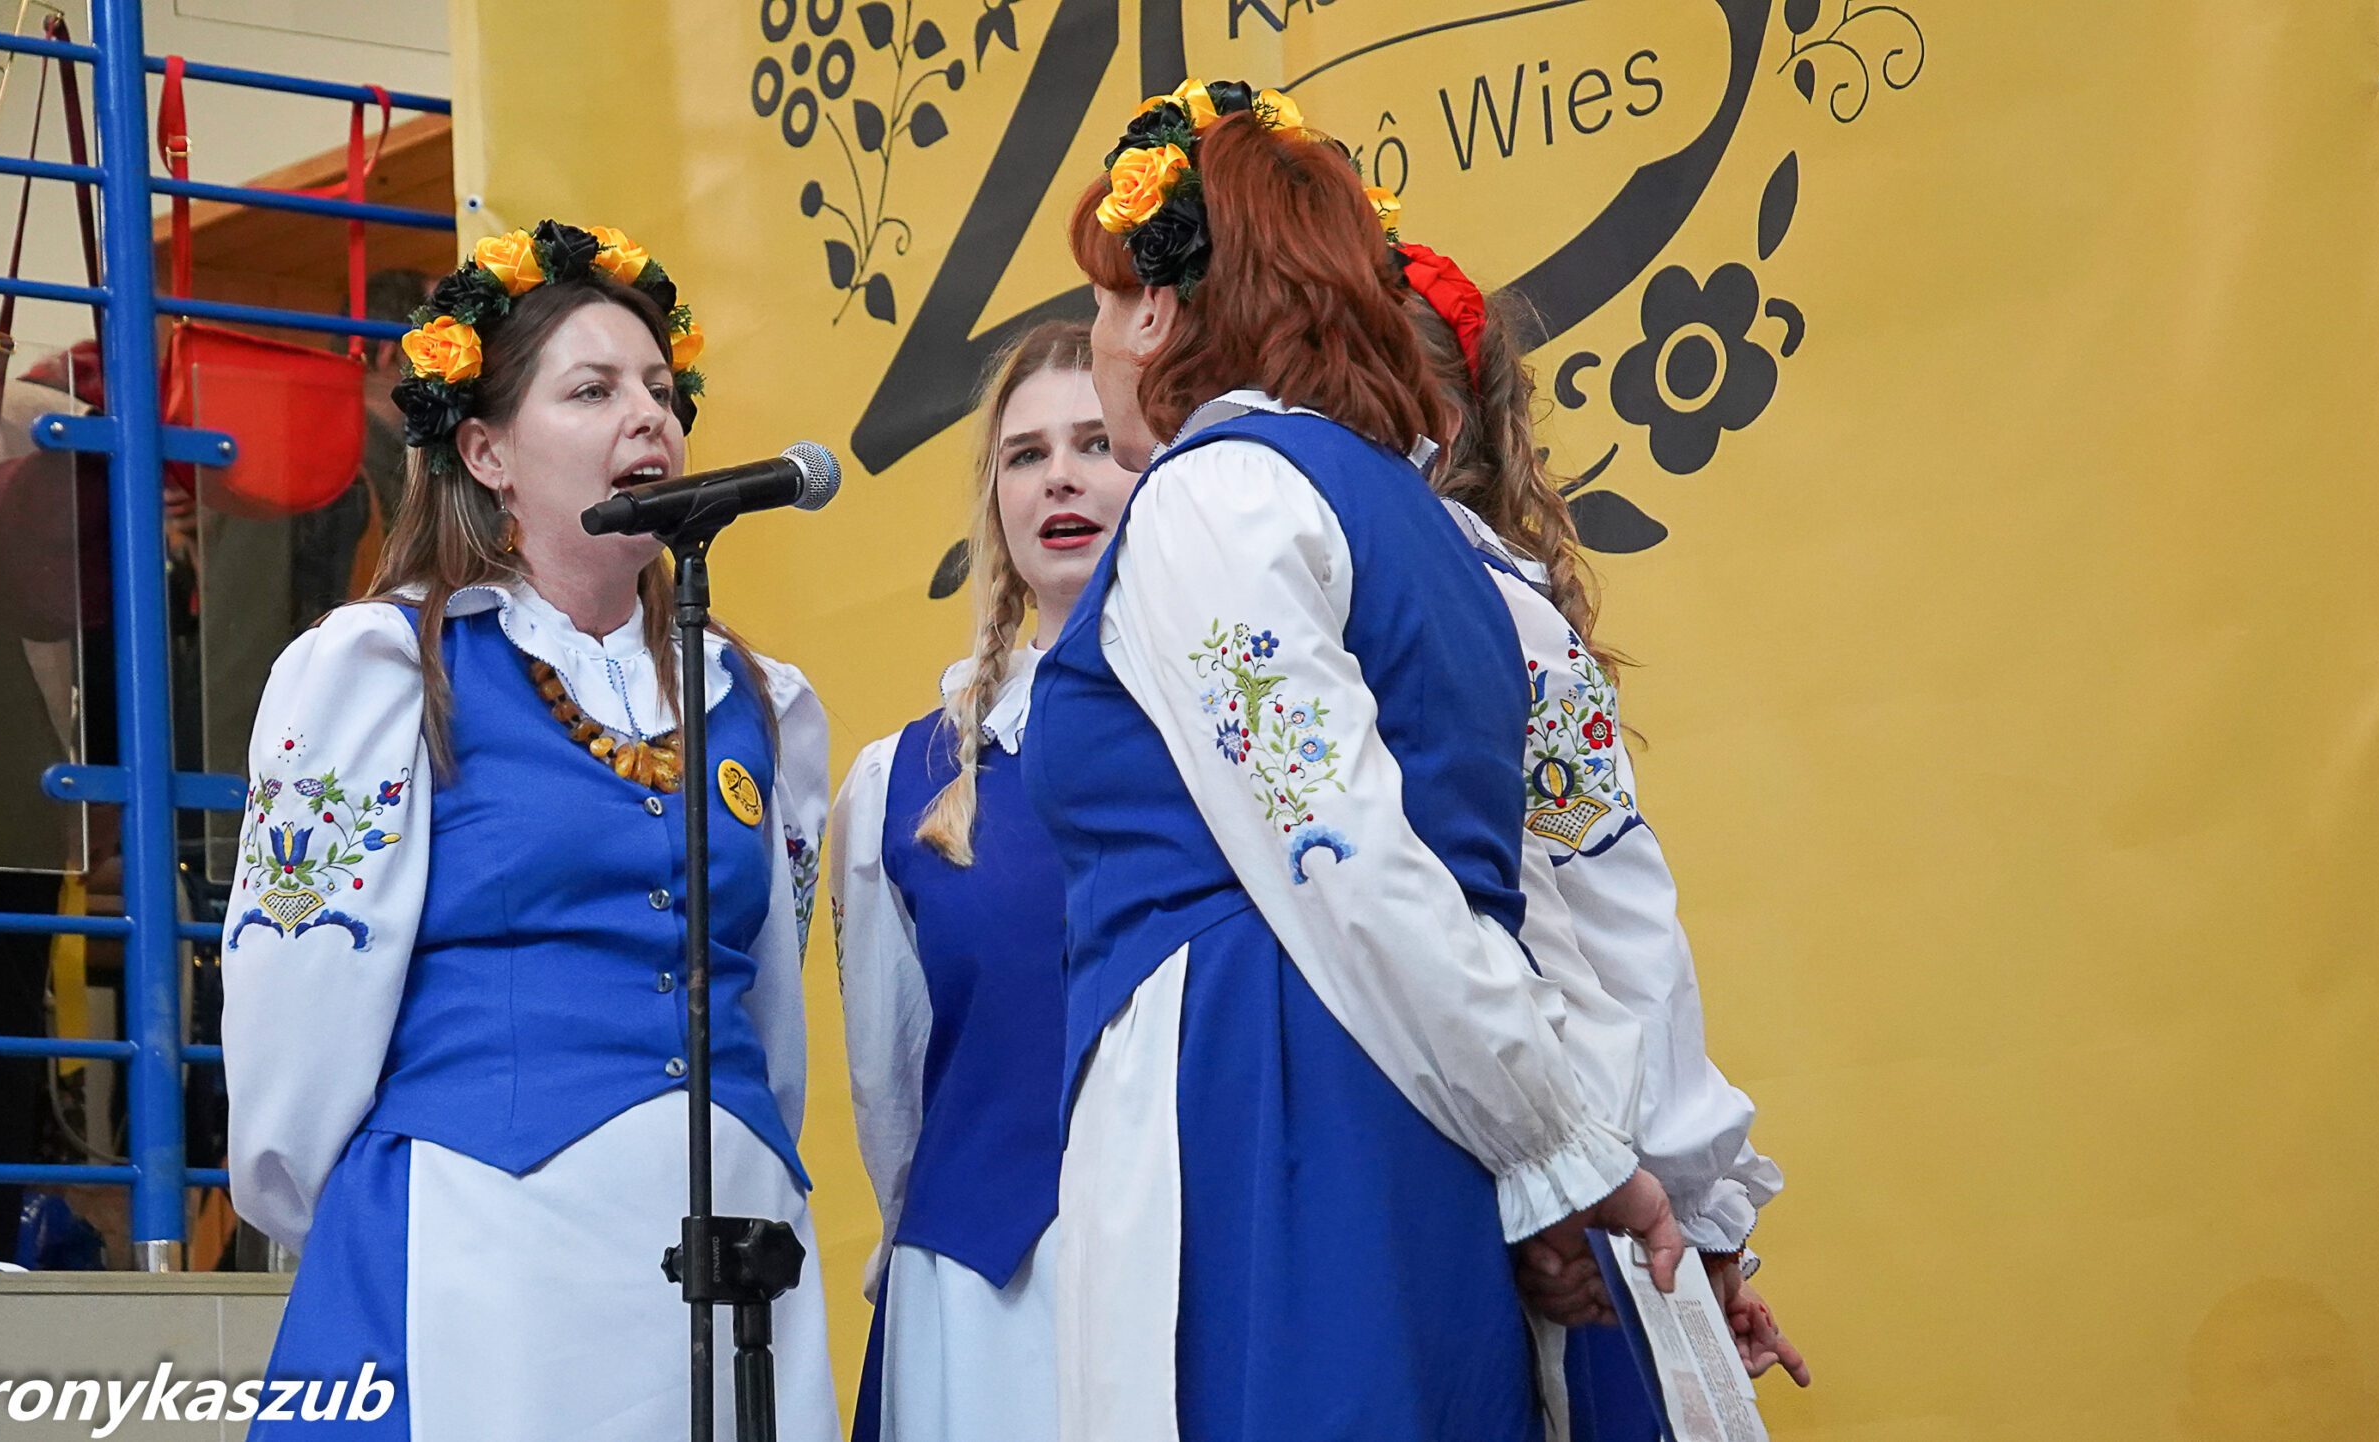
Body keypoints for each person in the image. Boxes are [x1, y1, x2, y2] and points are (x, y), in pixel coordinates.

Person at [1030, 80, 1683, 1442]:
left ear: (1156, 312)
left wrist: (1559, 1144)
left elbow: (1342, 853)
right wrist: (1550, 1139)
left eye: (1099, 302)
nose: (1095, 340)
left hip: (1271, 1095)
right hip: (1410, 1086)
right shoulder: (1444, 537)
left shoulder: (1215, 495)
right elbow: (1526, 900)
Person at [220, 222, 836, 1441]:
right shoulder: (385, 666)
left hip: (731, 1237)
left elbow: (769, 1004)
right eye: (593, 390)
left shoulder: (758, 701)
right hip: (490, 1240)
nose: (647, 414)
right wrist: (368, 1208)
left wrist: (750, 1150)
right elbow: (299, 995)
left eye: (658, 388)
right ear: (487, 449)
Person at [1391, 241, 1813, 1415]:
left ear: (1433, 420)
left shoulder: (1498, 621)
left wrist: (1689, 1199)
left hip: (1540, 1174)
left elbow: (1607, 905)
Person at [832, 320, 1139, 1442]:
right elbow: (890, 1087)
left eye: (1096, 443)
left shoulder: (1233, 742)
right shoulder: (897, 783)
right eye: (1025, 454)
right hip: (977, 1301)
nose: (1059, 476)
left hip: (1191, 1271)